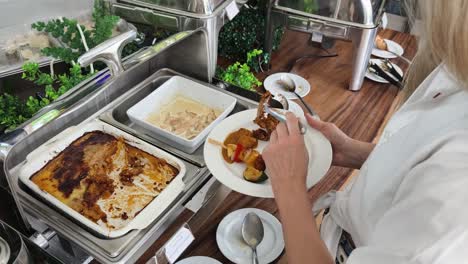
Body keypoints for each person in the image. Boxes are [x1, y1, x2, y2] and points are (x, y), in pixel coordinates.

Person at [262, 0, 468, 263]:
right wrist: (357, 152)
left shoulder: (459, 189)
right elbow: (424, 163)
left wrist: (289, 185)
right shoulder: (457, 68)